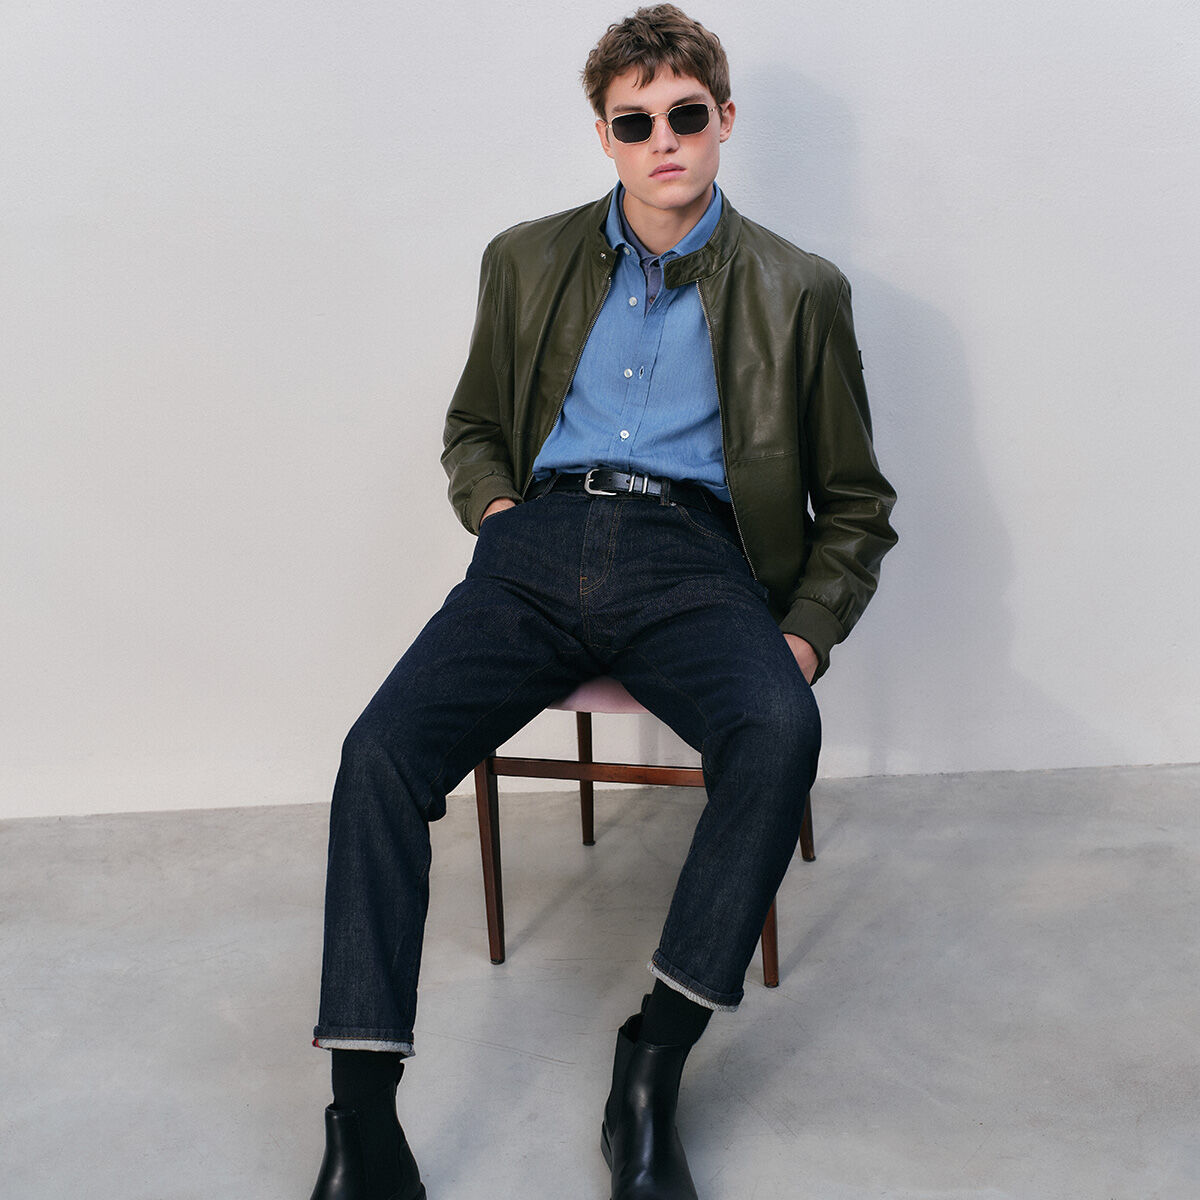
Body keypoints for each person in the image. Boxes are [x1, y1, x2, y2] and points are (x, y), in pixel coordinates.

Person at [305, 6, 897, 1198]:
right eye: (636, 123)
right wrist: (497, 514)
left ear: (724, 119)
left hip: (696, 559)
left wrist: (802, 638)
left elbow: (854, 502)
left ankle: (652, 1065)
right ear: (605, 136)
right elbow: (475, 426)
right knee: (377, 756)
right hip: (537, 545)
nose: (663, 141)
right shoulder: (524, 260)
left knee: (779, 728)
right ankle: (361, 1122)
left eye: (686, 115)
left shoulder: (800, 289)